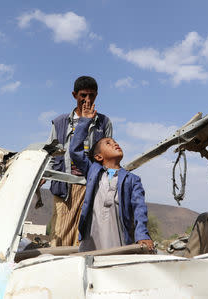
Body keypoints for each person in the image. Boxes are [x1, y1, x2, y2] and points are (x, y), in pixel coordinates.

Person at [69, 100, 154, 252]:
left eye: (115, 142)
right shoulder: (93, 171)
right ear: (99, 157)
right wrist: (85, 122)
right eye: (108, 143)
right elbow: (75, 151)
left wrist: (142, 234)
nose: (115, 144)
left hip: (118, 236)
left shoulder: (132, 179)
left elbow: (139, 209)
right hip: (92, 238)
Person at [41, 76, 112, 246]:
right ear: (74, 95)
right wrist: (42, 175)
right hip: (65, 186)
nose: (87, 100)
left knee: (85, 236)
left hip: (91, 185)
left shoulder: (104, 122)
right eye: (83, 95)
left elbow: (107, 154)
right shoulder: (60, 122)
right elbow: (51, 152)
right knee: (61, 234)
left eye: (92, 96)